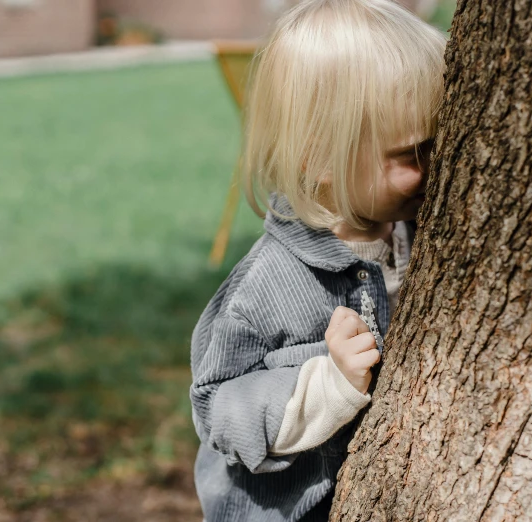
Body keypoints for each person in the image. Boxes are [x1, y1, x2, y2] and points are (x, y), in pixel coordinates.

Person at [190, 0, 446, 520]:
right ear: (321, 159)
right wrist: (327, 384)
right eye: (411, 153)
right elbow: (217, 406)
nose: (437, 164)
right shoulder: (268, 286)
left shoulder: (412, 228)